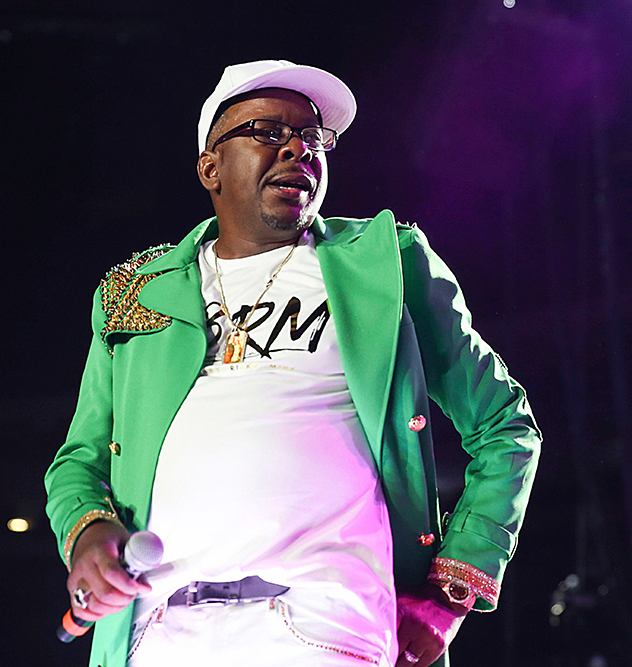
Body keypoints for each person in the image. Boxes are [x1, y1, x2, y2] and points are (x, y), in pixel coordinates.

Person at [45, 59, 541, 667]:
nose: (298, 151)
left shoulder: (383, 264)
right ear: (210, 167)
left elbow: (505, 429)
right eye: (268, 133)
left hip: (321, 624)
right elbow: (78, 461)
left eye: (313, 139)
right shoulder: (138, 288)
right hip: (159, 631)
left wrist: (453, 586)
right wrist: (89, 531)